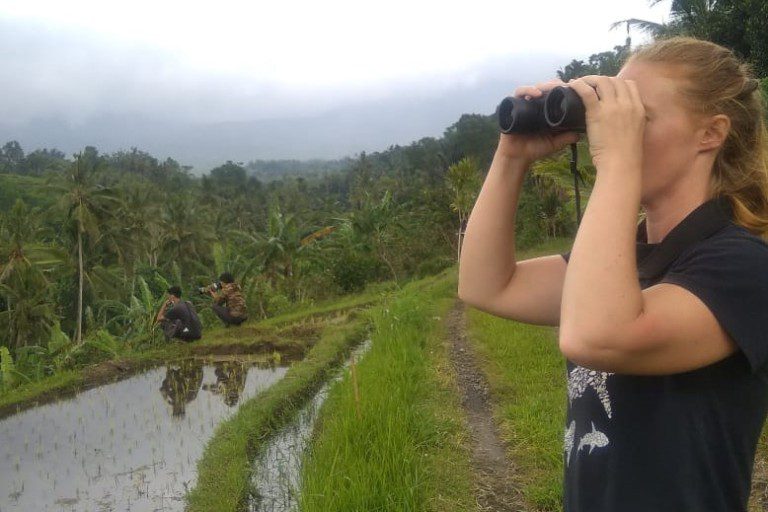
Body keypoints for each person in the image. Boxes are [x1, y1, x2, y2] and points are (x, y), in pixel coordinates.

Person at [458, 37, 768, 512]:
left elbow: (598, 335)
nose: (613, 129)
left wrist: (618, 161)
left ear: (711, 133)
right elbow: (486, 286)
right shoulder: (628, 259)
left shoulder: (743, 265)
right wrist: (511, 157)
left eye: (636, 116)